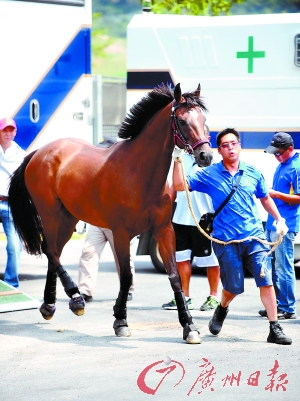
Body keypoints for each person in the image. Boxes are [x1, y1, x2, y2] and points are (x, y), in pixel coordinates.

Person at [172, 127, 292, 345]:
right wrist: (176, 159)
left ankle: (274, 328)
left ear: (239, 145)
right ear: (219, 150)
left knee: (266, 281)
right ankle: (222, 307)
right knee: (233, 287)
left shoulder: (253, 172)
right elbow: (180, 186)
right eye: (225, 145)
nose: (230, 148)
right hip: (226, 241)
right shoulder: (209, 174)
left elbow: (264, 198)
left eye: (233, 143)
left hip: (255, 238)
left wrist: (278, 219)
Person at [162, 125, 220, 311]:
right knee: (181, 259)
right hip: (181, 218)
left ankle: (214, 297)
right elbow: (173, 186)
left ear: (207, 137)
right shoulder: (181, 158)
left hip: (205, 219)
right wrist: (165, 211)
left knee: (210, 260)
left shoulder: (213, 159)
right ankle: (185, 297)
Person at [258, 132, 300, 320]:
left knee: (284, 266)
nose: (276, 155)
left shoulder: (296, 168)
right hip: (273, 222)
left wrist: (276, 194)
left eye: (278, 152)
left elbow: (298, 198)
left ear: (290, 149)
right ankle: (276, 304)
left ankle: (288, 307)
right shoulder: (282, 165)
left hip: (286, 225)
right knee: (272, 266)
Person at [78, 225, 136, 302]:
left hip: (116, 221)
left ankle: (127, 289)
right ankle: (85, 291)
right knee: (88, 252)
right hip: (97, 220)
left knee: (122, 255)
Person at [0, 118, 26, 288]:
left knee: (14, 246)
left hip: (11, 204)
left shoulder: (21, 155)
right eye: (5, 130)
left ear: (15, 132)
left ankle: (11, 285)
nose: (8, 133)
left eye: (11, 130)